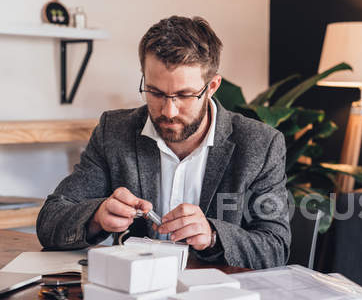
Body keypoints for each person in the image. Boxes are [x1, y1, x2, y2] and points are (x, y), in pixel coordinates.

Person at [36, 16, 290, 269]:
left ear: (212, 86)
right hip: (132, 296)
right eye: (155, 92)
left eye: (184, 95)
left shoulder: (260, 145)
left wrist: (213, 236)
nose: (168, 111)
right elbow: (50, 220)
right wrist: (96, 217)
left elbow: (275, 249)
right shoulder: (114, 132)